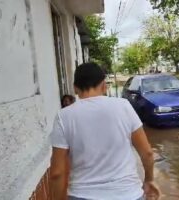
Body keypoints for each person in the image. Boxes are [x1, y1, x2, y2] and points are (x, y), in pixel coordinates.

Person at [50, 62, 160, 200]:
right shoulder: (123, 106)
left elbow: (57, 172)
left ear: (75, 88)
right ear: (104, 85)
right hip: (128, 194)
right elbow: (147, 153)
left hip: (81, 195)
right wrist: (149, 180)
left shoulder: (63, 116)